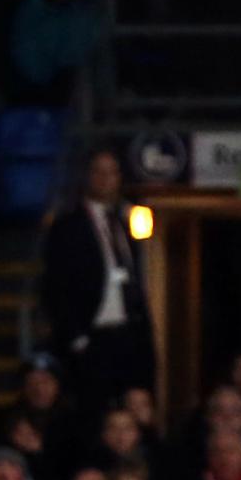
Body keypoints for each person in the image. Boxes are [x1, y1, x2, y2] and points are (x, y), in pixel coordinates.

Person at [40, 150, 153, 413]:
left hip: (126, 337)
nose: (105, 179)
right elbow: (57, 286)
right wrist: (77, 338)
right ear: (87, 177)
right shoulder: (68, 227)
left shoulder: (125, 222)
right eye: (99, 172)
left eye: (111, 172)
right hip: (92, 337)